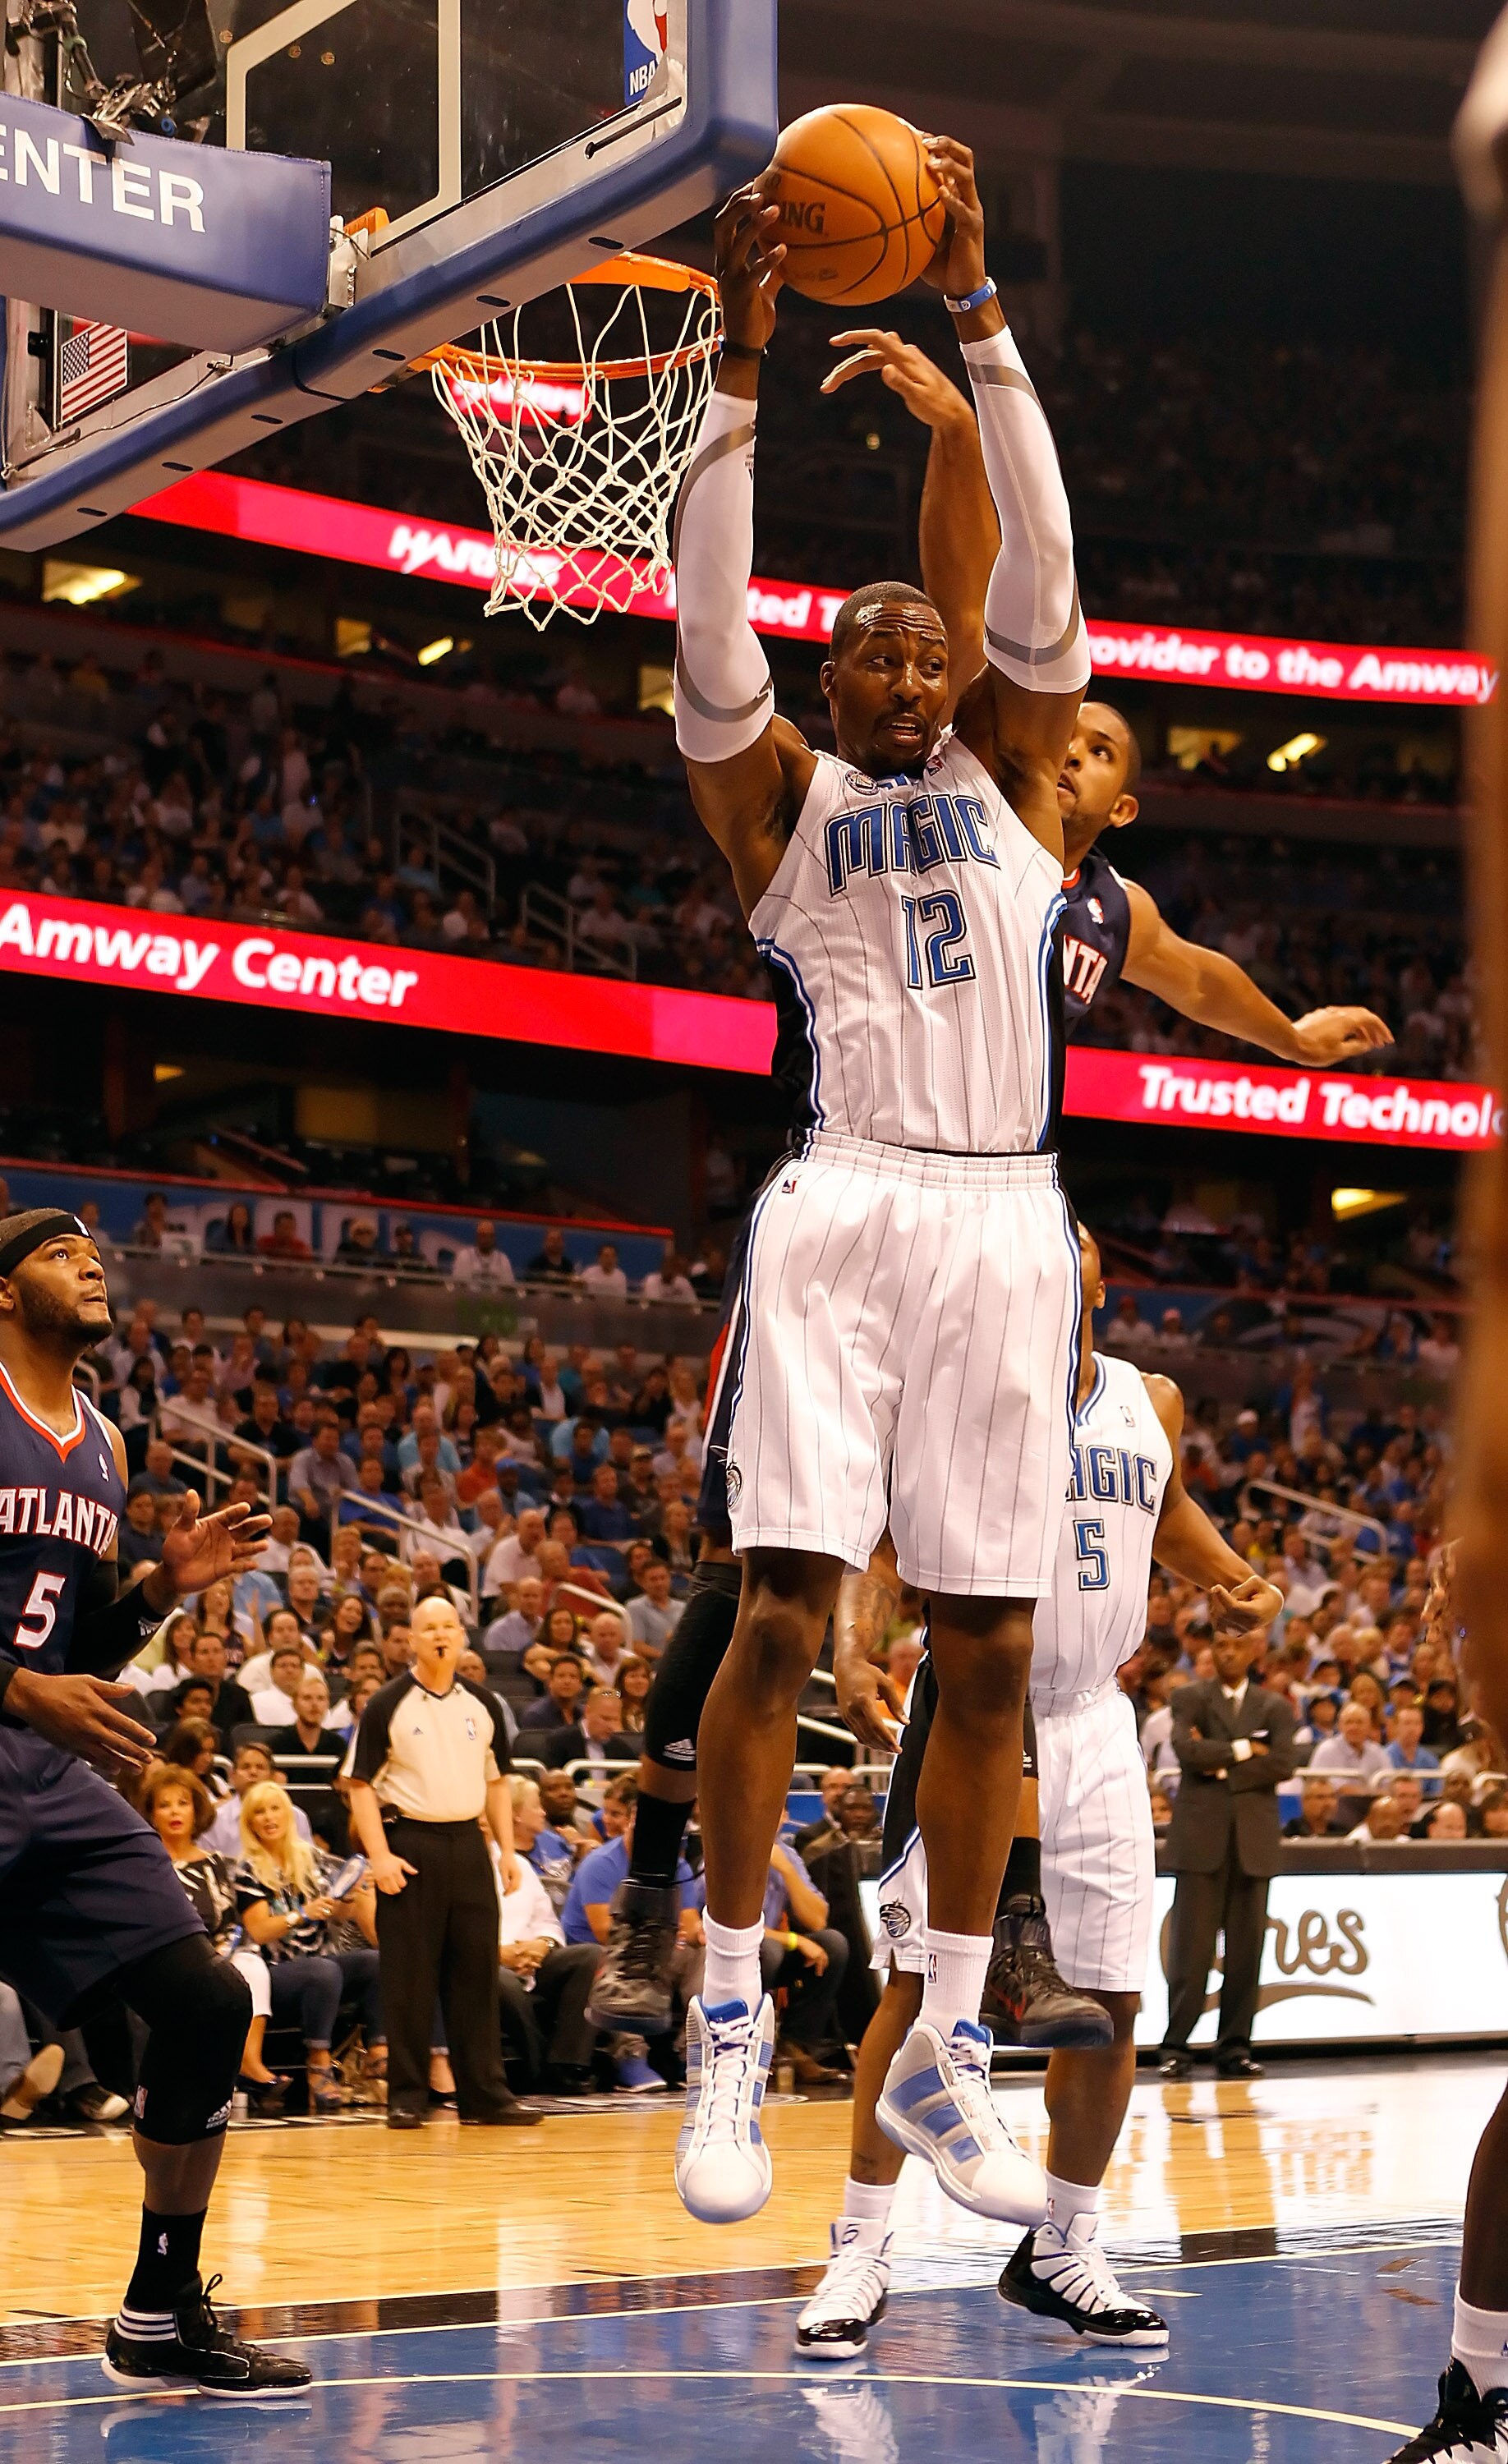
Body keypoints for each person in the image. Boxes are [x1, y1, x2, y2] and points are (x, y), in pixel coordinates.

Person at [666, 138, 1095, 2232]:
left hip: (1010, 1214)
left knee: (994, 1652)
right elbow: (712, 613)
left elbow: (1041, 589)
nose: (920, 662)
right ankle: (731, 2006)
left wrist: (981, 319)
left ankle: (937, 2038)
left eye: (935, 646)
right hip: (843, 1202)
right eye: (877, 648)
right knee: (781, 1612)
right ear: (833, 688)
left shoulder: (1019, 784)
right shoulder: (782, 804)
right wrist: (739, 368)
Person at [796, 1225, 1281, 2356]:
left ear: (1098, 1288)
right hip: (975, 1708)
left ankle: (1064, 2243)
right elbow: (880, 1545)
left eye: (1073, 1274)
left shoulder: (1147, 1401)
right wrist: (861, 1646)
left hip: (1097, 1718)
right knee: (922, 1988)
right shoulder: (960, 1389)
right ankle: (860, 2250)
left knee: (1110, 2001)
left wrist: (1230, 1577)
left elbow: (1161, 1512)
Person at [0, 1208, 306, 2397]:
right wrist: (26, 1688)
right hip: (18, 1727)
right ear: (5, 1293)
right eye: (55, 1251)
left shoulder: (107, 1447)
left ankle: (160, 2308)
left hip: (41, 1776)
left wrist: (162, 1592)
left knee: (207, 2002)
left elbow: (82, 1648)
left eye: (94, 1251)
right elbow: (37, 1674)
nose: (90, 1262)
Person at [346, 1590, 540, 2131]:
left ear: (461, 1636)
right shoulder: (388, 1702)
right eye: (428, 1627)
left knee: (476, 1975)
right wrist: (379, 1855)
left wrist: (505, 1850)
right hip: (410, 1845)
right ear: (409, 1638)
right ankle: (407, 2095)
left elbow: (498, 1781)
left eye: (448, 1626)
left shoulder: (482, 1703)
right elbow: (359, 1786)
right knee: (408, 1975)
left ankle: (485, 2094)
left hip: (469, 1844)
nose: (438, 1635)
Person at [1159, 1629, 1299, 2080]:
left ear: (1254, 1652)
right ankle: (1176, 2046)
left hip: (1253, 1846)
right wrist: (1242, 1750)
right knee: (1190, 1954)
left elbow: (1283, 1763)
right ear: (1210, 1653)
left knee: (1246, 1954)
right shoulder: (1189, 1698)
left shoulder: (1274, 1706)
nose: (1228, 1652)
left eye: (1237, 1645)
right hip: (1200, 1841)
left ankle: (1234, 2047)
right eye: (1220, 1645)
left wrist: (1219, 1769)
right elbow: (1184, 1750)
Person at [233, 1782, 379, 2113]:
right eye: (259, 1812)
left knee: (374, 1963)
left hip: (321, 1965)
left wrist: (349, 1897)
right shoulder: (248, 1869)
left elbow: (337, 1913)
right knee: (323, 1970)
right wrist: (301, 1914)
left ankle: (378, 2056)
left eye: (275, 1809)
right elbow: (258, 1930)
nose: (269, 1818)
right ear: (250, 1823)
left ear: (289, 1815)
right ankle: (318, 2065)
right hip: (275, 1973)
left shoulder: (312, 1858)